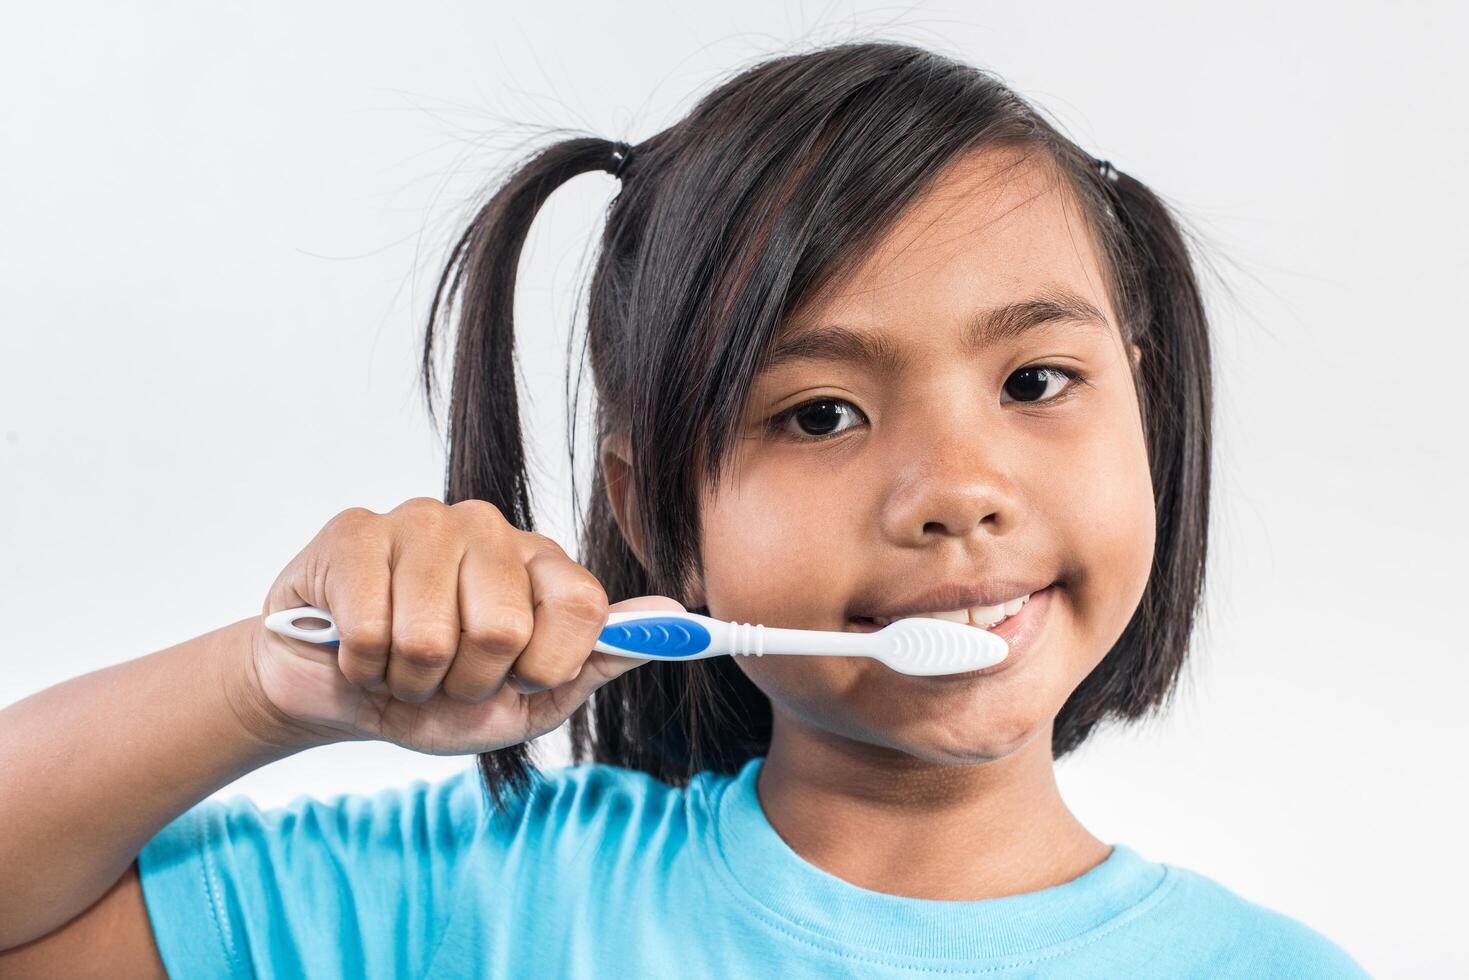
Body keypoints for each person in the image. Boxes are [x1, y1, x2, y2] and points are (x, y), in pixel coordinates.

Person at [0, 40, 1370, 978]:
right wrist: (268, 685)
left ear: (1141, 405)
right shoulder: (472, 908)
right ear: (654, 505)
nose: (958, 488)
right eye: (820, 412)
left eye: (1034, 379)